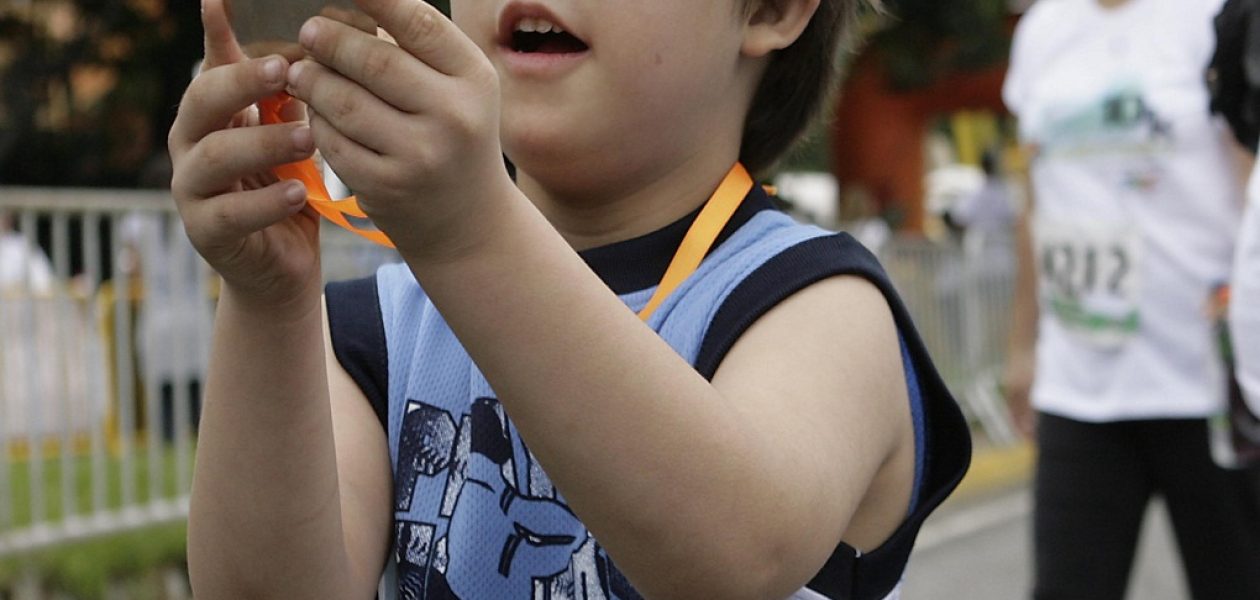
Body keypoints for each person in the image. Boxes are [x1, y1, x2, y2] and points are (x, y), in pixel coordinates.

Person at [168, 0, 971, 598]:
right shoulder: (372, 330)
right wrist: (267, 304)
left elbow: (739, 559)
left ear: (769, 9)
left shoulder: (819, 304)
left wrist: (469, 232)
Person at [1002, 0, 1260, 598]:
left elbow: (1251, 177)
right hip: (1080, 383)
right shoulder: (1041, 31)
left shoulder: (1212, 17)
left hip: (1209, 384)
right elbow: (1036, 202)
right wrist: (1021, 344)